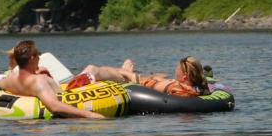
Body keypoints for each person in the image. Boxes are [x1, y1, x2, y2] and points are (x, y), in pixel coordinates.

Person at [0, 40, 105, 119]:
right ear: (33, 58)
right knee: (92, 69)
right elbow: (54, 106)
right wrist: (90, 115)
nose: (39, 58)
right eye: (38, 55)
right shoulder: (38, 81)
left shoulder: (9, 80)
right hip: (49, 126)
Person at [71, 56, 211, 97]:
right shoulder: (194, 87)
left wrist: (125, 72)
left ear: (185, 77)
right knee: (126, 66)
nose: (175, 70)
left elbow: (139, 81)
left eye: (177, 70)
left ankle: (88, 75)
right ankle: (124, 68)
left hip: (133, 83)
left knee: (95, 68)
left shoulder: (176, 88)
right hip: (142, 80)